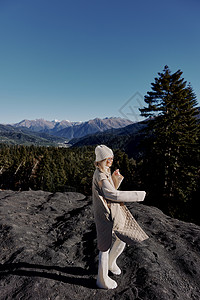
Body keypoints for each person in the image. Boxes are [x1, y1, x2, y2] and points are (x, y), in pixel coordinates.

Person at [92, 145, 149, 289]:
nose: (110, 161)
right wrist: (139, 195)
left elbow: (109, 189)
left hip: (113, 212)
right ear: (100, 160)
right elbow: (112, 194)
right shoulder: (99, 175)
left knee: (122, 238)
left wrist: (115, 179)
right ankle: (102, 279)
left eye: (111, 158)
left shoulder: (104, 172)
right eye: (107, 159)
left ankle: (111, 263)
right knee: (104, 246)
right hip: (105, 214)